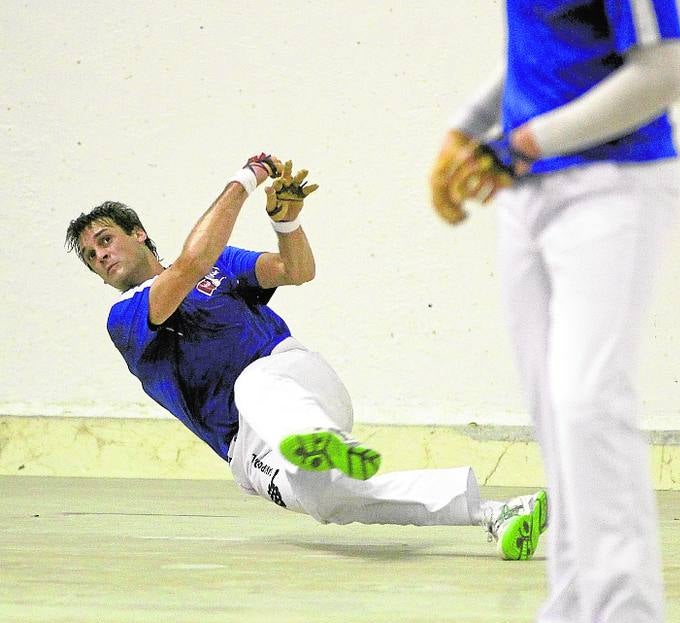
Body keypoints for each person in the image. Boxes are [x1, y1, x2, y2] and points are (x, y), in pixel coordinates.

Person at [430, 0, 680, 623]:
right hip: (528, 200)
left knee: (589, 407)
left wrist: (520, 143)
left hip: (613, 191)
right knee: (552, 416)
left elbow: (660, 72)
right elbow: (542, 53)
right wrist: (469, 129)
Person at [66, 154, 548, 560]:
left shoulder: (222, 263)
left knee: (252, 385)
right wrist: (248, 178)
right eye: (91, 256)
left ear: (138, 233)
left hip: (293, 379)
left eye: (105, 240)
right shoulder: (124, 317)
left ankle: (314, 437)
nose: (101, 256)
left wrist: (286, 223)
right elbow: (190, 266)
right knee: (330, 500)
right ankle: (498, 513)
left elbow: (297, 271)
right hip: (246, 446)